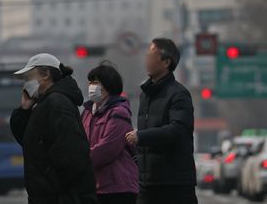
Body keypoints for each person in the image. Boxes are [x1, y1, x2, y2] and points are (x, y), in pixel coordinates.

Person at [10, 53, 98, 204]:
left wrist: (51, 185)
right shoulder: (45, 103)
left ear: (45, 75)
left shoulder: (57, 103)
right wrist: (24, 110)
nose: (26, 84)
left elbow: (70, 155)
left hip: (60, 197)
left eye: (29, 77)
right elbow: (29, 141)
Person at [125, 38, 197, 204]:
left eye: (151, 54)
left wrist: (141, 136)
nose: (146, 58)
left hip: (174, 185)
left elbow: (177, 130)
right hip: (147, 184)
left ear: (166, 62)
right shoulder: (146, 95)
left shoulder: (178, 94)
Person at [81, 62, 139, 204]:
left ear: (108, 86)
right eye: (89, 82)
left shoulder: (119, 113)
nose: (91, 87)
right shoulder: (87, 113)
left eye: (95, 82)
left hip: (118, 188)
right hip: (95, 186)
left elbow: (107, 149)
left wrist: (77, 161)